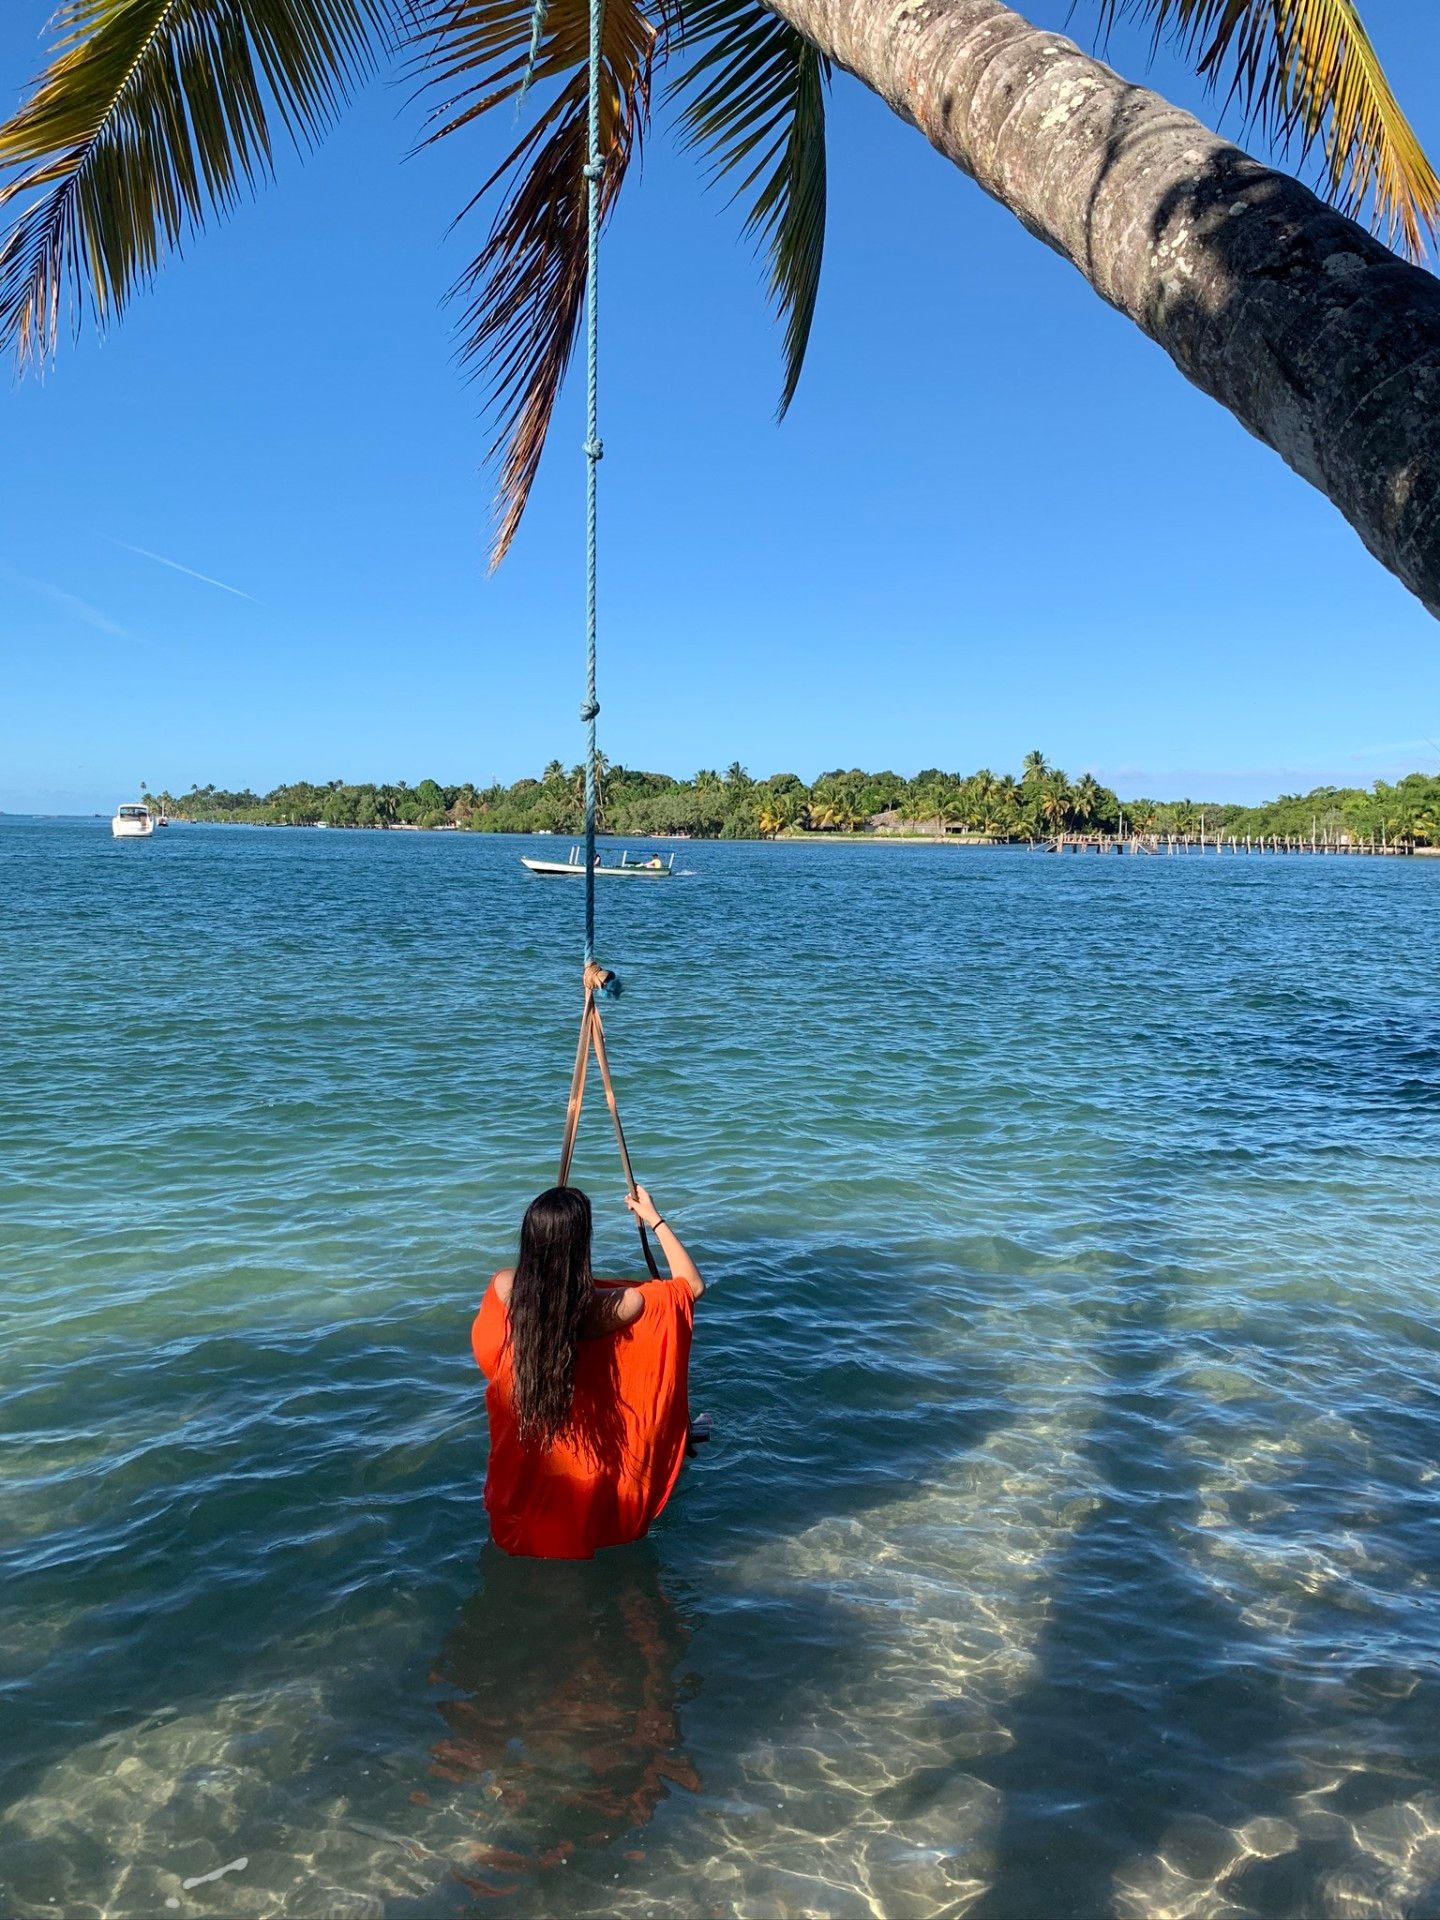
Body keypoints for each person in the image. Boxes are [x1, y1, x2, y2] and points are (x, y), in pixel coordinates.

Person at [471, 1184, 704, 1559]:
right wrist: (654, 1218)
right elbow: (690, 1286)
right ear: (581, 1247)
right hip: (586, 1484)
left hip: (520, 1483)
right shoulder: (614, 1307)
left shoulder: (504, 1288)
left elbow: (488, 1355)